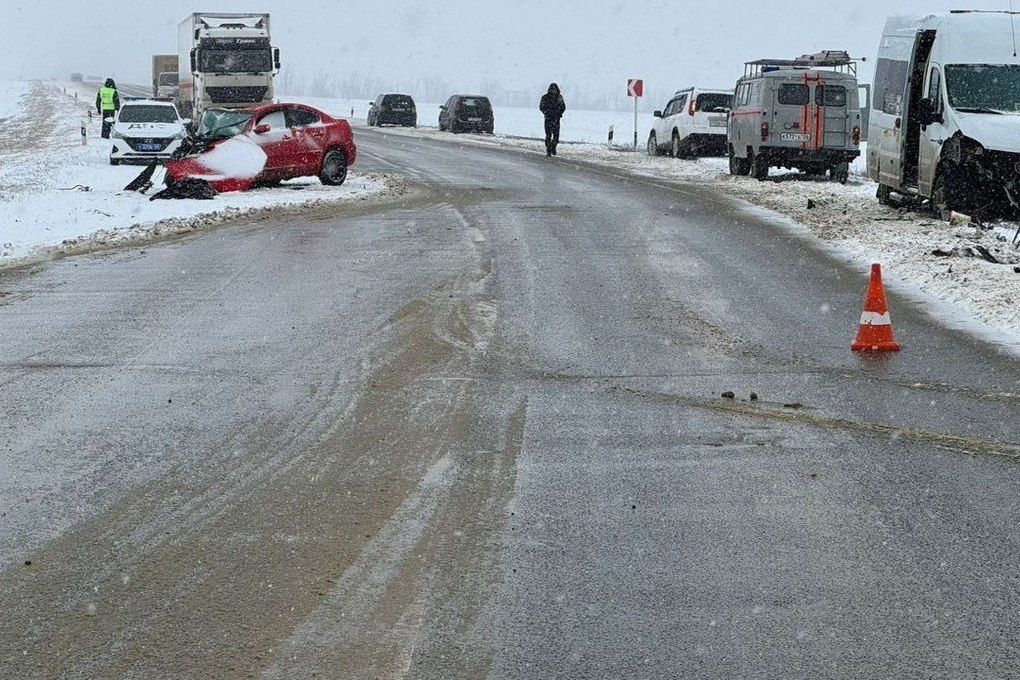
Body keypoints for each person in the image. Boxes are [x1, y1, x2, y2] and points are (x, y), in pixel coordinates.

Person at [539, 82, 565, 156]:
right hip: (548, 119)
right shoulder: (545, 97)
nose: (554, 91)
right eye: (552, 90)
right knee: (548, 135)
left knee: (556, 136)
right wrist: (547, 112)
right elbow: (541, 107)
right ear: (549, 90)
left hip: (556, 119)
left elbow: (563, 107)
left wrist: (559, 113)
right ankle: (548, 149)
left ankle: (553, 147)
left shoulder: (559, 97)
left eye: (555, 90)